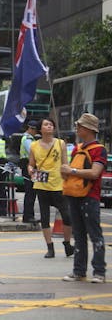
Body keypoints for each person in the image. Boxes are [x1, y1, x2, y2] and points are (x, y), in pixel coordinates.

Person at [61, 113, 107, 283]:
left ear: (88, 129)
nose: (77, 128)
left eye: (79, 126)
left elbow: (95, 173)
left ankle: (99, 271)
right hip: (74, 195)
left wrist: (71, 171)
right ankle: (79, 271)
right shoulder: (76, 149)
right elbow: (70, 172)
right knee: (79, 235)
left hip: (90, 197)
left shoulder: (99, 149)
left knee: (95, 235)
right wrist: (65, 171)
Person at [28, 117, 74, 258]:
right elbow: (31, 164)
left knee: (67, 216)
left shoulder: (61, 144)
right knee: (44, 217)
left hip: (59, 185)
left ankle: (67, 243)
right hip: (41, 185)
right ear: (40, 129)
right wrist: (30, 169)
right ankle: (50, 247)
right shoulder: (34, 146)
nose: (49, 127)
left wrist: (68, 176)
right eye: (46, 124)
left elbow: (65, 163)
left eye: (51, 125)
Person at [19, 121, 39, 223]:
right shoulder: (27, 139)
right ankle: (28, 216)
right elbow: (33, 152)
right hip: (28, 166)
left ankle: (29, 216)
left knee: (32, 191)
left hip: (30, 166)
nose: (36, 132)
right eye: (35, 130)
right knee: (30, 192)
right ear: (30, 129)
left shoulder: (30, 139)